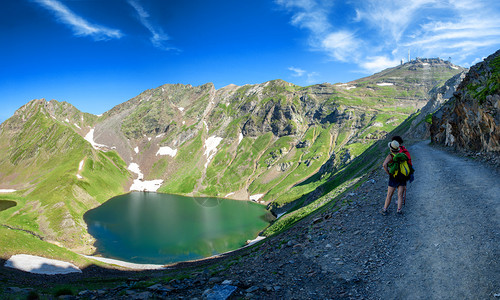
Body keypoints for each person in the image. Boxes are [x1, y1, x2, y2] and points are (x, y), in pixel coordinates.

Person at [381, 140, 408, 215]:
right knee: (400, 195)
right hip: (402, 176)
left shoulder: (390, 156)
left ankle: (385, 209)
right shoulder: (401, 155)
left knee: (389, 194)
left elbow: (384, 164)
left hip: (394, 177)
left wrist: (388, 172)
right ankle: (399, 210)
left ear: (391, 149)